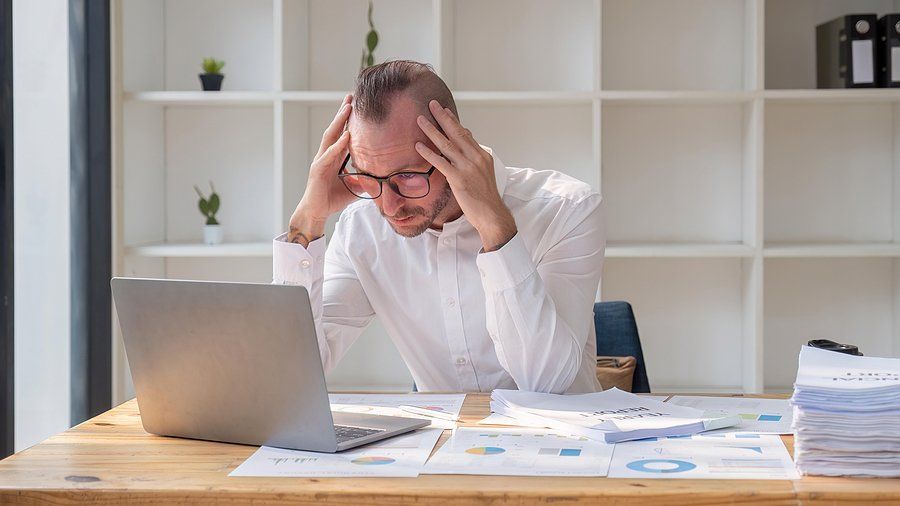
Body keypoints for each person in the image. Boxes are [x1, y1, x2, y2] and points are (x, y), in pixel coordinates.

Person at [273, 60, 605, 394]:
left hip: (560, 428)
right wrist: (308, 221)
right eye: (368, 176)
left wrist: (495, 227)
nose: (388, 206)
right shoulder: (361, 230)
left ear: (454, 147)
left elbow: (547, 383)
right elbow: (290, 372)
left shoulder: (568, 210)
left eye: (407, 176)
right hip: (440, 429)